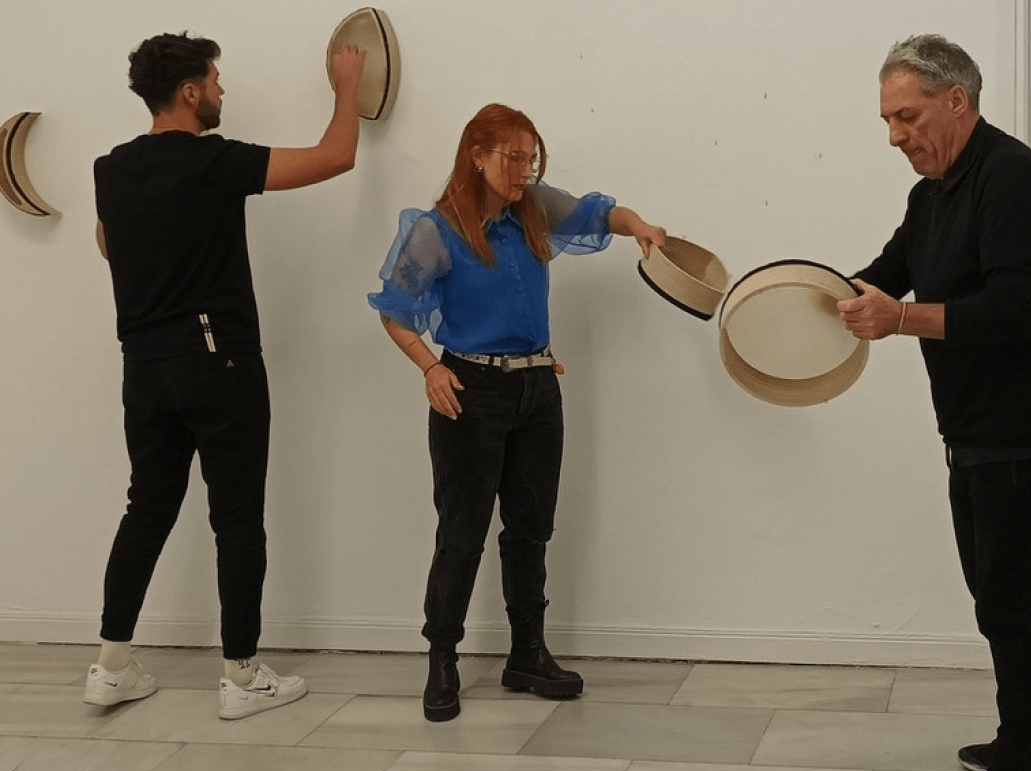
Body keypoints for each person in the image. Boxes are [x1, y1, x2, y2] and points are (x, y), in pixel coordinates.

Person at [838, 34, 1031, 771]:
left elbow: (1017, 311)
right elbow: (885, 273)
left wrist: (901, 318)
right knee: (1006, 595)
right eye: (886, 121)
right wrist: (813, 294)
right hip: (977, 427)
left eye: (906, 116)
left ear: (957, 99)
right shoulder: (932, 192)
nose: (895, 137)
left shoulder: (1012, 177)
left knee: (1006, 606)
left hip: (1030, 430)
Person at [86, 32, 366, 719]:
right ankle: (242, 678)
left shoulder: (111, 169)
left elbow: (107, 241)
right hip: (218, 360)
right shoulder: (211, 161)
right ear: (189, 92)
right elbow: (337, 156)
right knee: (237, 520)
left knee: (146, 509)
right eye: (214, 79)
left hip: (144, 368)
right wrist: (348, 87)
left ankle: (111, 666)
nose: (220, 90)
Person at [368, 103, 665, 722]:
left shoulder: (532, 207)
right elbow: (395, 310)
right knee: (462, 532)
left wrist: (640, 226)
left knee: (531, 529)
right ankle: (442, 659)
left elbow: (597, 211)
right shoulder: (437, 228)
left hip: (537, 391)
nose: (523, 170)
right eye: (512, 157)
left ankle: (527, 653)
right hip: (470, 392)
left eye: (531, 158)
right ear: (475, 155)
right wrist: (431, 367)